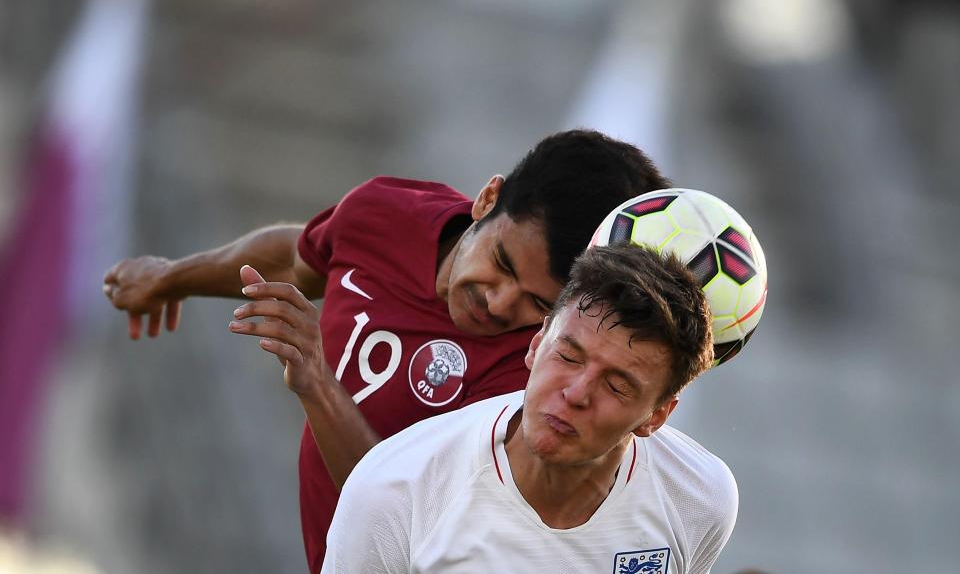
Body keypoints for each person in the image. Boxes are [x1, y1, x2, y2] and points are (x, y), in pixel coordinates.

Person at [102, 130, 670, 571]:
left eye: (539, 304)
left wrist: (318, 383)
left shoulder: (534, 382)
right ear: (487, 200)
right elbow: (299, 258)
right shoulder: (385, 213)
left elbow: (412, 530)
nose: (500, 304)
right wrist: (175, 276)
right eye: (501, 264)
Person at [322, 244, 737, 573]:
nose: (576, 393)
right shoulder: (395, 490)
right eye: (568, 356)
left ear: (657, 416)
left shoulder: (699, 499)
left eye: (616, 385)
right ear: (537, 344)